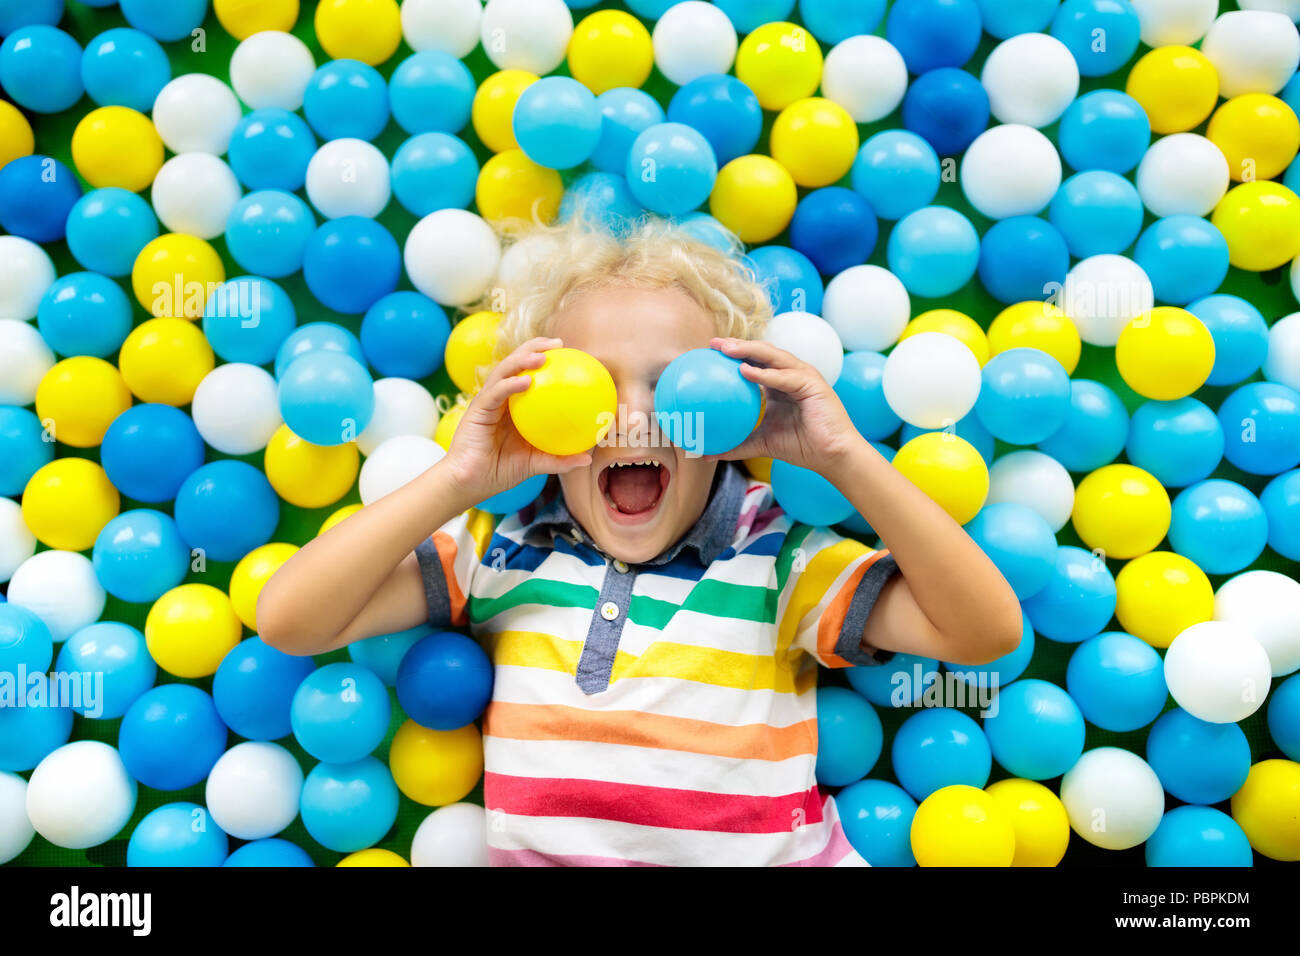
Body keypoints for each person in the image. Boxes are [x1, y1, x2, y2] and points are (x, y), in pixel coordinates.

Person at [258, 214, 1023, 866]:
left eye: (671, 383)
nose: (633, 415)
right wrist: (459, 479)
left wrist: (845, 458)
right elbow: (291, 619)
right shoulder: (501, 551)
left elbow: (983, 631)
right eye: (592, 381)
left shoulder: (777, 556)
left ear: (730, 412)